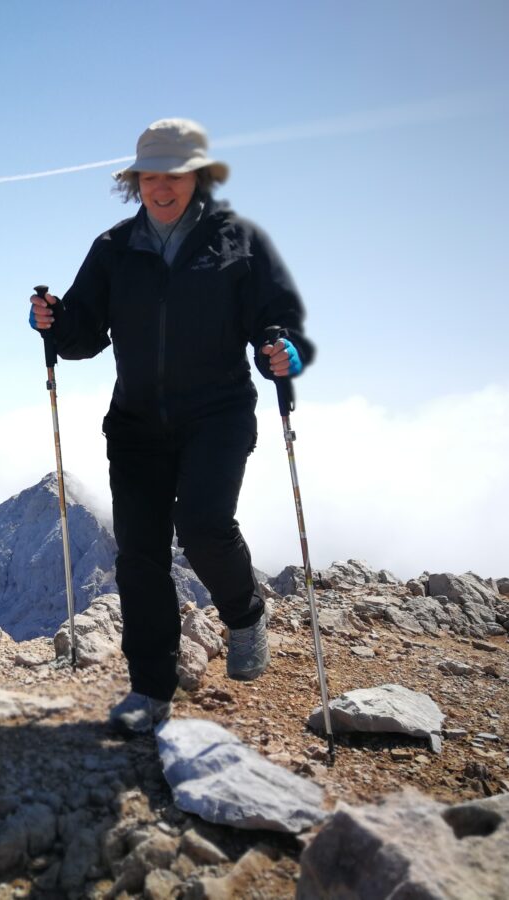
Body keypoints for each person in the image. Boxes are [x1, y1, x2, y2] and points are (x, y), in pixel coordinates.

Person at [28, 118, 313, 735]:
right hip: (135, 423)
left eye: (174, 176)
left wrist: (281, 347)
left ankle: (243, 612)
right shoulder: (114, 248)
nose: (161, 188)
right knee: (140, 555)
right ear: (136, 182)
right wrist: (54, 321)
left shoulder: (238, 242)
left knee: (205, 525)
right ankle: (150, 689)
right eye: (150, 177)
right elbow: (85, 336)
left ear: (198, 176)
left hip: (217, 413)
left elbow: (275, 319)